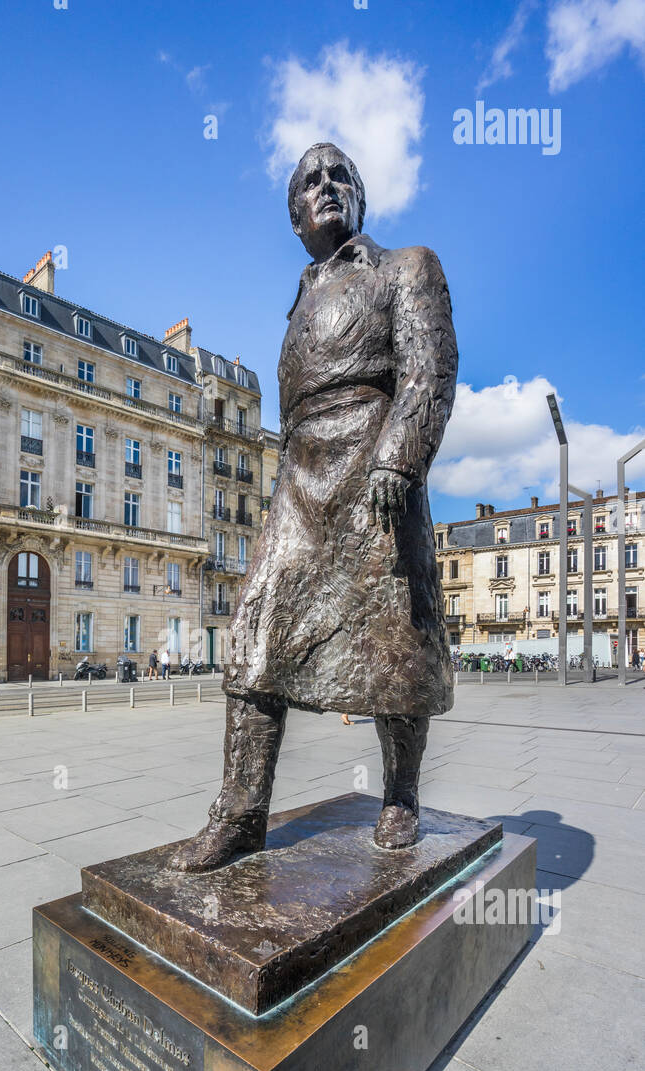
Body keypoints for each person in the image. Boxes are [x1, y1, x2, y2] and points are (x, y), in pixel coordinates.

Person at [172, 142, 456, 872]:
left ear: (358, 198)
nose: (326, 186)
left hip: (373, 466)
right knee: (253, 632)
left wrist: (400, 456)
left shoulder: (406, 266)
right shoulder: (298, 298)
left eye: (340, 176)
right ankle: (238, 815)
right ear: (293, 215)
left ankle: (400, 792)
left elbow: (429, 373)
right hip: (298, 482)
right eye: (310, 181)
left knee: (392, 642)